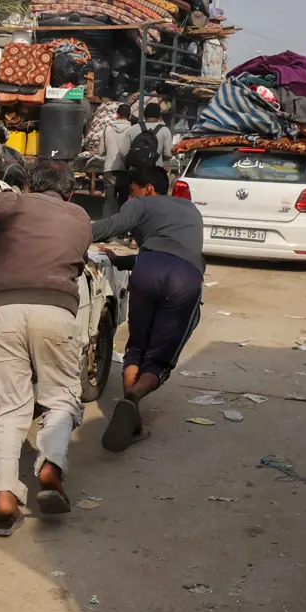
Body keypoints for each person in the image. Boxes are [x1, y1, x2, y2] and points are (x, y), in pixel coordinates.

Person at [0, 160, 92, 535]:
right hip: (57, 312)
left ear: (30, 185)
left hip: (2, 311)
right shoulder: (80, 217)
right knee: (61, 398)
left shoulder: (14, 202)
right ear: (69, 193)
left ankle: (5, 497)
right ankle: (51, 465)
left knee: (7, 407)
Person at [87, 165, 205, 452]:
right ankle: (134, 398)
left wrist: (69, 229)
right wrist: (120, 260)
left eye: (132, 191)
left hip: (147, 269)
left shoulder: (141, 204)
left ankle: (132, 412)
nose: (130, 197)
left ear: (147, 189)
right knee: (159, 358)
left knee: (136, 348)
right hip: (186, 276)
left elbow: (111, 227)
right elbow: (173, 252)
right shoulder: (191, 209)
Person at [101, 103, 137, 208]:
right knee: (123, 202)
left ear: (117, 115)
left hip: (109, 170)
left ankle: (108, 218)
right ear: (130, 116)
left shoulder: (107, 128)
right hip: (125, 171)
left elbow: (101, 150)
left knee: (109, 202)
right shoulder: (133, 130)